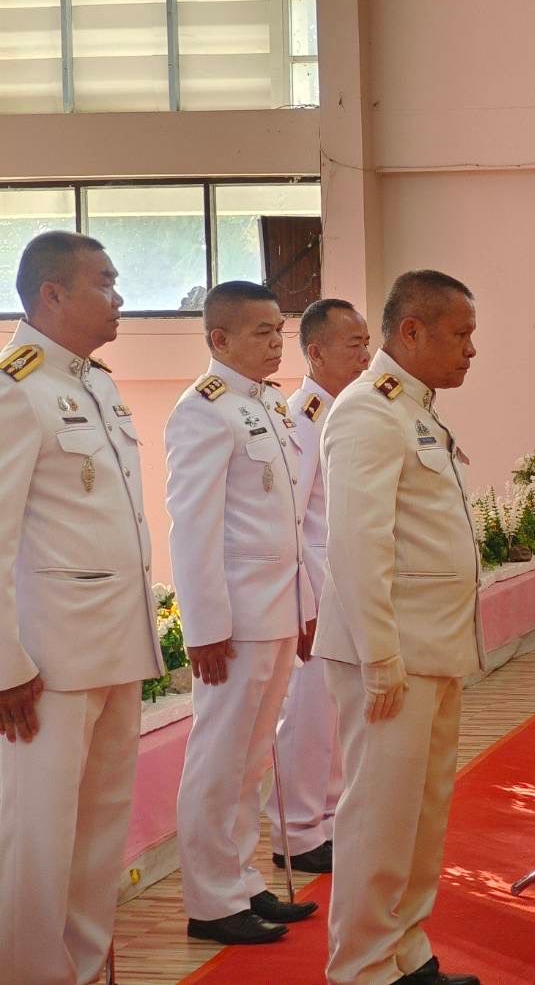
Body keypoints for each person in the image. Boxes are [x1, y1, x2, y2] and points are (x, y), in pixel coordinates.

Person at [0, 232, 164, 984]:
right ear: (52, 294)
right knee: (37, 843)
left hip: (114, 648)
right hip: (47, 667)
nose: (119, 297)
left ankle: (88, 971)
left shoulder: (96, 384)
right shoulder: (16, 389)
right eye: (104, 282)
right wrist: (6, 665)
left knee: (98, 838)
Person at [313, 270, 484, 985]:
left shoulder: (414, 408)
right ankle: (360, 967)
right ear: (411, 332)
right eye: (460, 335)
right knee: (379, 820)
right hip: (391, 657)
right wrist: (380, 657)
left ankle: (405, 949)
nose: (471, 350)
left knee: (420, 818)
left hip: (432, 649)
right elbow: (357, 545)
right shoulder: (368, 411)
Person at [166, 281, 317, 945]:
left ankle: (241, 879)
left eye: (279, 329)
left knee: (253, 760)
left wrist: (305, 606)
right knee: (219, 758)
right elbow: (193, 528)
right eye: (261, 331)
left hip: (276, 610)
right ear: (219, 339)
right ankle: (210, 900)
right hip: (233, 622)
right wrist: (204, 628)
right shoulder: (203, 411)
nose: (276, 342)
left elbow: (291, 522)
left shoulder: (267, 404)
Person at [267, 298, 372, 876]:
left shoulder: (346, 410)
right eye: (353, 345)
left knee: (334, 714)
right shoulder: (302, 417)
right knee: (308, 715)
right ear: (316, 352)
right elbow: (292, 516)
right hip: (316, 586)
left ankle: (326, 820)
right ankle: (296, 833)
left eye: (366, 344)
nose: (365, 356)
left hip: (344, 583)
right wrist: (304, 601)